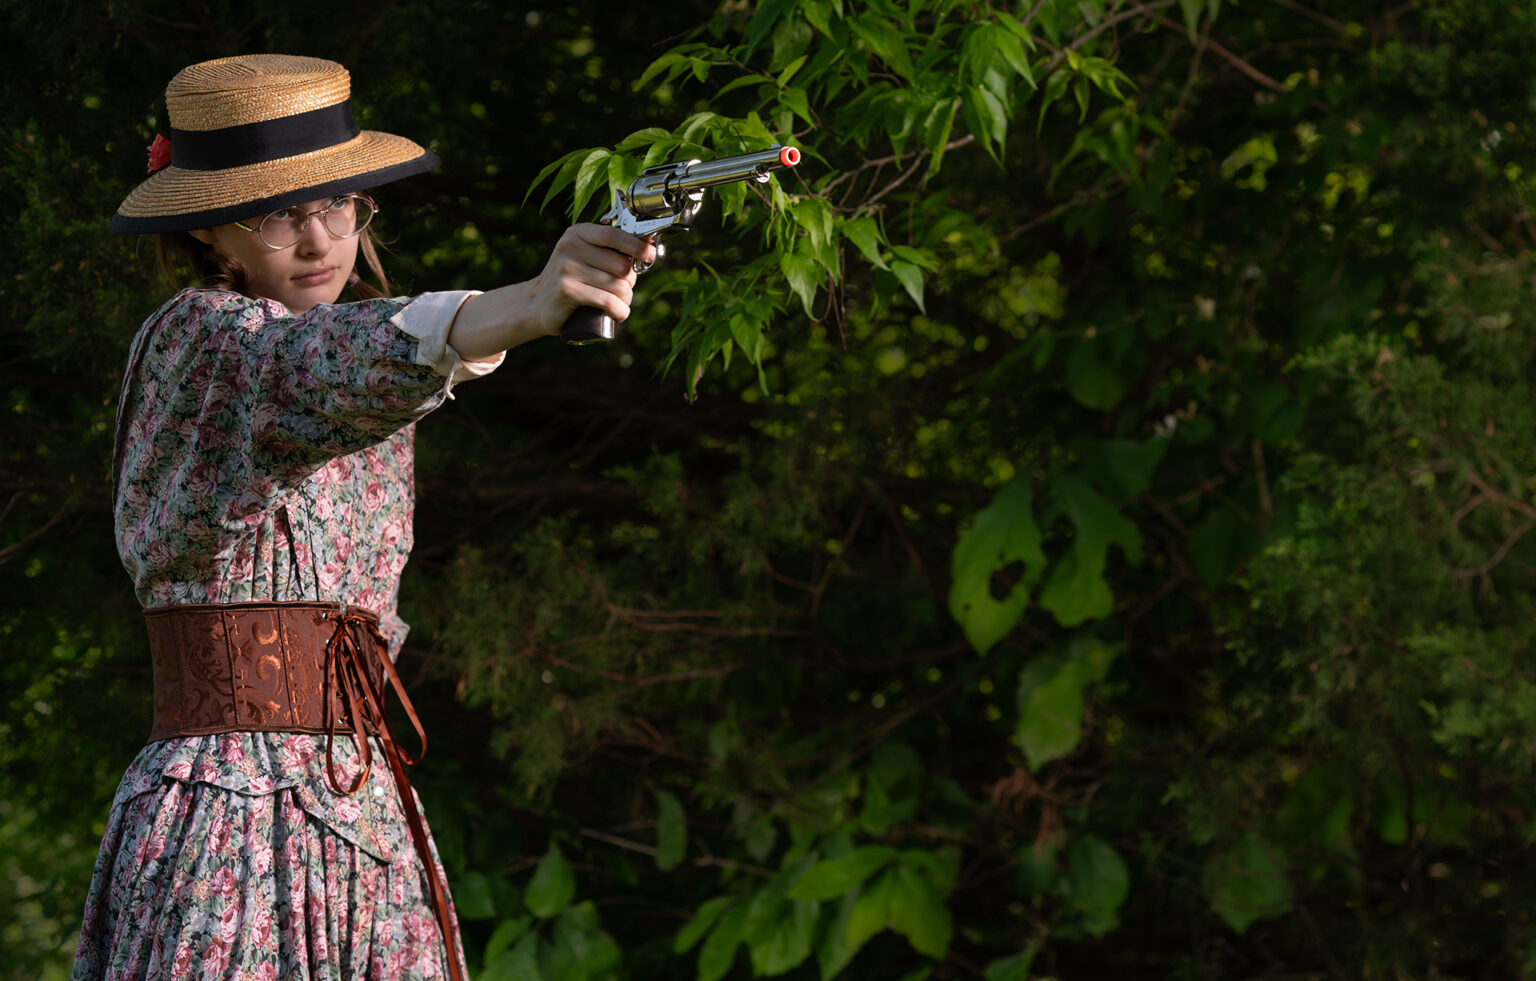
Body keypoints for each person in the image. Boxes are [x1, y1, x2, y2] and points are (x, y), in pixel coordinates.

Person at [74, 53, 655, 981]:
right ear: (210, 229)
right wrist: (529, 306)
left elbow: (358, 363)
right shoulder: (202, 343)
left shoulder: (374, 372)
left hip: (362, 814)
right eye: (278, 215)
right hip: (232, 822)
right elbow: (310, 366)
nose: (318, 240)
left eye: (338, 205)